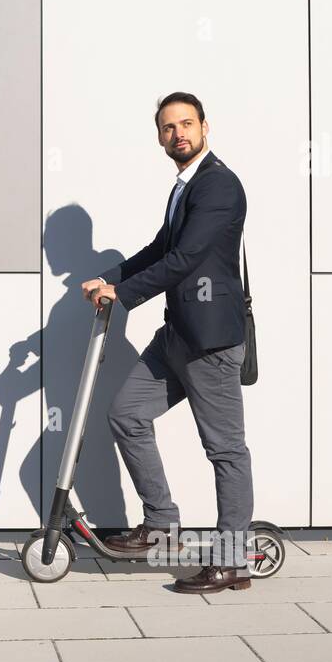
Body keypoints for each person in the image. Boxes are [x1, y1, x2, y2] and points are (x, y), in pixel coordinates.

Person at [83, 92, 253, 594]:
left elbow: (188, 258)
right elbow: (163, 247)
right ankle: (162, 524)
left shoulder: (218, 185)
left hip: (210, 343)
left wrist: (124, 293)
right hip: (177, 334)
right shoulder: (185, 186)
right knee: (127, 414)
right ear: (159, 137)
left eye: (186, 124)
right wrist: (108, 275)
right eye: (167, 127)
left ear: (204, 127)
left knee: (224, 450)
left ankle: (232, 561)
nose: (177, 133)